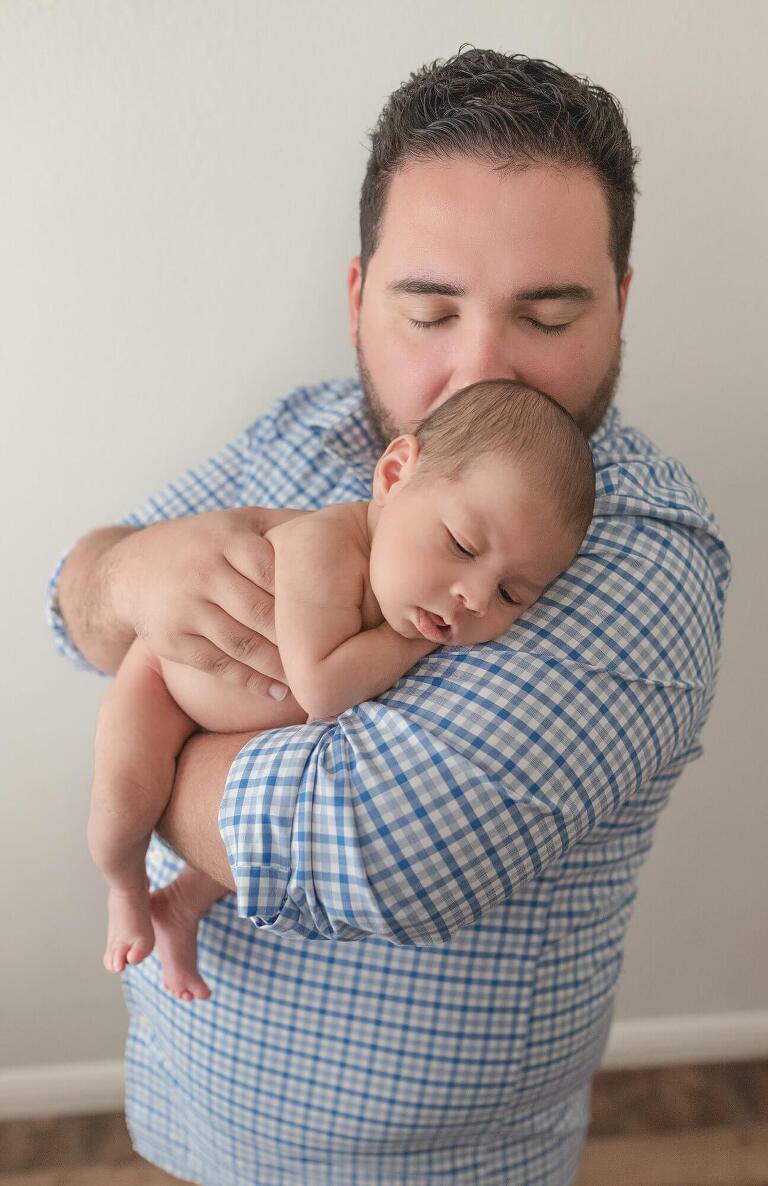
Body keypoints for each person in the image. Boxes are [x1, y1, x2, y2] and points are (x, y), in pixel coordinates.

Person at [47, 48, 731, 1186]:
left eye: (547, 312)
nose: (479, 371)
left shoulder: (629, 553)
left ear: (620, 303)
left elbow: (361, 849)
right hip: (192, 1093)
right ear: (362, 299)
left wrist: (151, 716)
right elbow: (67, 615)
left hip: (423, 1166)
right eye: (430, 309)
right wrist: (127, 579)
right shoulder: (308, 431)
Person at [88, 380, 596, 1004]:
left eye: (514, 594)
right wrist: (416, 644)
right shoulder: (324, 545)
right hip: (163, 683)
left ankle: (179, 909)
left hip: (244, 725)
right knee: (123, 803)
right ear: (394, 475)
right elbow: (321, 687)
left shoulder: (414, 592)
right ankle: (127, 891)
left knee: (228, 863)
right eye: (463, 545)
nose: (476, 598)